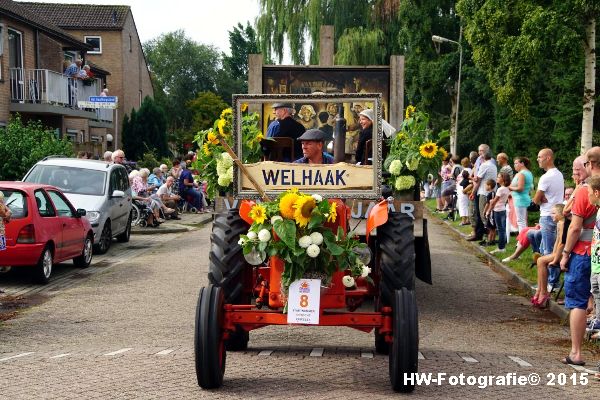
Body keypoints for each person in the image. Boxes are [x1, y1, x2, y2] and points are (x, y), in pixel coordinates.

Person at [558, 147, 600, 367]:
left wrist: (565, 254)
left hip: (585, 252)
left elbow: (575, 228)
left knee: (578, 303)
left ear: (588, 165)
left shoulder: (586, 190)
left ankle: (576, 352)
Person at [533, 148, 564, 289]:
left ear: (548, 158)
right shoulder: (559, 175)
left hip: (546, 215)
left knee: (547, 251)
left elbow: (535, 199)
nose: (538, 159)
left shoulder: (546, 177)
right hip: (557, 214)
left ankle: (552, 283)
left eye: (540, 157)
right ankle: (550, 281)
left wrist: (539, 199)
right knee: (554, 249)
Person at [531, 203, 566, 307]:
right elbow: (557, 242)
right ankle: (540, 290)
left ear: (561, 214)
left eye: (554, 213)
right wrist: (553, 254)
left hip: (564, 253)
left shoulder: (562, 223)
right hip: (559, 252)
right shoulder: (560, 223)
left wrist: (555, 258)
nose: (551, 215)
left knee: (541, 261)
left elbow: (561, 243)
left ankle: (542, 292)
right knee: (541, 260)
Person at [468, 148, 497, 241]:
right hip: (491, 191)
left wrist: (472, 192)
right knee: (487, 215)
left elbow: (478, 180)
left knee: (483, 214)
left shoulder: (484, 165)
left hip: (483, 192)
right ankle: (489, 237)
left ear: (483, 157)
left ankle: (490, 237)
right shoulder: (493, 165)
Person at [587, 174, 600, 335]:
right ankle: (598, 318)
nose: (587, 195)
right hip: (596, 261)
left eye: (589, 192)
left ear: (596, 192)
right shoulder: (598, 211)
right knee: (596, 291)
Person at [508, 156, 534, 232]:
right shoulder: (528, 172)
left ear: (522, 163)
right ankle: (523, 240)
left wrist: (510, 188)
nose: (514, 165)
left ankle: (522, 242)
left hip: (520, 199)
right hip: (523, 198)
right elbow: (530, 187)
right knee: (522, 221)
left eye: (516, 163)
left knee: (521, 221)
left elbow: (520, 188)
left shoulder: (521, 174)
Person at [488, 172, 511, 253]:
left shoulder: (500, 189)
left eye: (498, 177)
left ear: (503, 179)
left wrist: (488, 210)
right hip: (503, 209)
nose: (497, 178)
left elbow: (494, 202)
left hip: (497, 210)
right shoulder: (507, 188)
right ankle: (502, 247)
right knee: (502, 229)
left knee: (501, 230)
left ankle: (501, 248)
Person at [457, 157, 472, 226]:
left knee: (462, 205)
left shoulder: (464, 171)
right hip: (468, 189)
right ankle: (469, 219)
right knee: (468, 204)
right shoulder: (471, 170)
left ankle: (464, 220)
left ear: (462, 163)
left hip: (463, 190)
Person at [482, 179, 497, 246]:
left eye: (486, 185)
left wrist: (484, 211)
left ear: (489, 186)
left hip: (490, 213)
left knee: (490, 228)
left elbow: (487, 204)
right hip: (495, 212)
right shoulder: (495, 193)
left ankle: (489, 241)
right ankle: (493, 240)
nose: (485, 187)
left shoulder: (489, 194)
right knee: (493, 228)